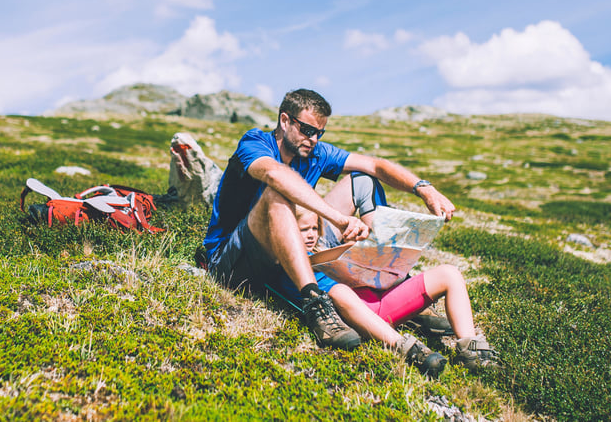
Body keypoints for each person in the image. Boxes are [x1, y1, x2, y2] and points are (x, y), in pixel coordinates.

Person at [203, 89, 456, 361]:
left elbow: (375, 165)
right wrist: (338, 219)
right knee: (276, 192)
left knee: (363, 179)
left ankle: (386, 282)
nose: (313, 139)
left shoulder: (314, 152)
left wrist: (423, 189)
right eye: (307, 130)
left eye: (319, 133)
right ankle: (315, 303)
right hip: (231, 260)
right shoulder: (255, 142)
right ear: (285, 121)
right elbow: (274, 174)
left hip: (287, 249)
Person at [292, 191, 499, 373]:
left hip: (384, 299)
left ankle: (471, 349)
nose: (310, 235)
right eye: (303, 230)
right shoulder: (294, 263)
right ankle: (404, 346)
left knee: (450, 273)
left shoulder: (324, 248)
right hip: (363, 315)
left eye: (314, 228)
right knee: (339, 291)